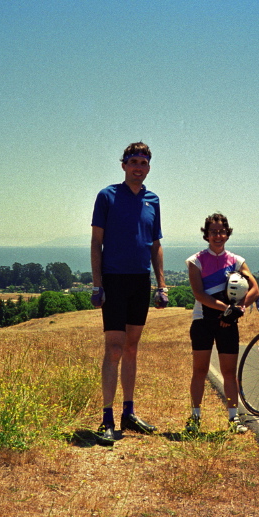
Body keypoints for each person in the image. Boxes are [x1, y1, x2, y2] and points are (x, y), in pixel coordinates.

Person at [90, 142, 168, 444]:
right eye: (133, 161)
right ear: (123, 165)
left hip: (140, 281)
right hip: (114, 280)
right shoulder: (107, 196)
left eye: (144, 162)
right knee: (114, 348)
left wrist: (161, 285)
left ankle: (129, 413)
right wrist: (98, 284)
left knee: (133, 348)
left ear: (149, 167)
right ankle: (106, 418)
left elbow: (155, 245)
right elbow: (97, 242)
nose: (138, 167)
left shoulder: (153, 200)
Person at [184, 213, 259, 435]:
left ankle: (233, 418)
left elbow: (255, 290)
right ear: (206, 235)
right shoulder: (195, 261)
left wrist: (237, 310)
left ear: (227, 233)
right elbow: (199, 294)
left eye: (221, 231)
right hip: (202, 321)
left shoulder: (237, 261)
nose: (218, 235)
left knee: (229, 372)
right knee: (200, 370)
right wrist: (226, 309)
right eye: (213, 232)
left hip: (228, 323)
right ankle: (195, 417)